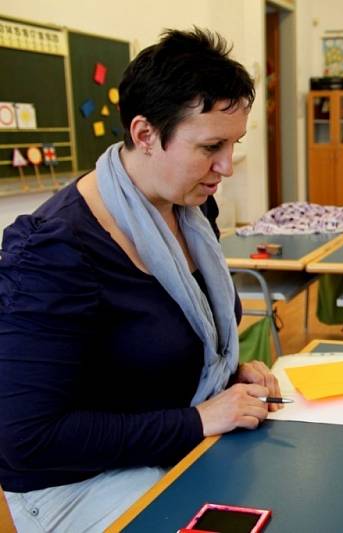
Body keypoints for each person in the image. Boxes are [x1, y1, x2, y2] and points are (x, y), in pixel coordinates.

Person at [0, 29, 283, 532]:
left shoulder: (191, 207)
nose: (226, 167)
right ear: (145, 134)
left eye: (233, 145)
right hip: (81, 484)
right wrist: (199, 419)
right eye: (211, 147)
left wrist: (228, 375)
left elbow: (168, 340)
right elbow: (27, 440)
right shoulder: (51, 251)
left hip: (173, 446)